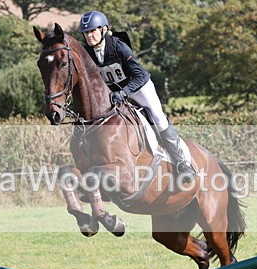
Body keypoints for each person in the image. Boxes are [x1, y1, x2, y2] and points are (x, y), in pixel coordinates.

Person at [79, 10, 196, 184]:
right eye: (86, 33)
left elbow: (139, 75)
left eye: (92, 31)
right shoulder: (87, 52)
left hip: (139, 87)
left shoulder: (119, 47)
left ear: (103, 29)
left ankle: (182, 163)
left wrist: (125, 92)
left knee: (157, 117)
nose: (89, 36)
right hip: (114, 93)